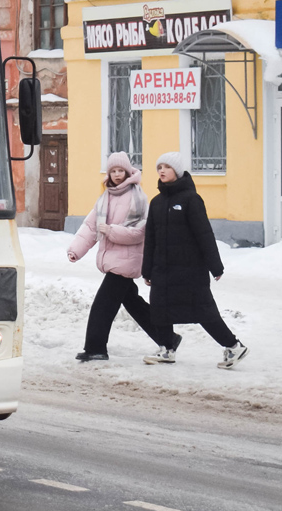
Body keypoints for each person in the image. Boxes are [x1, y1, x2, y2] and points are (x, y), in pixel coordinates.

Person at [67, 152, 178, 362]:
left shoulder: (137, 197)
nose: (117, 175)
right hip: (113, 259)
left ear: (128, 172)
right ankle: (168, 337)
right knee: (132, 302)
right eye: (113, 171)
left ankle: (96, 348)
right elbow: (91, 226)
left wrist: (110, 231)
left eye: (121, 171)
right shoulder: (106, 196)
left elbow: (139, 232)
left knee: (103, 304)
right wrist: (76, 250)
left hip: (127, 260)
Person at [142, 152, 249, 369]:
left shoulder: (191, 199)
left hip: (189, 269)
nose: (162, 171)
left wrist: (215, 266)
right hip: (162, 268)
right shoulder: (156, 202)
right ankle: (166, 349)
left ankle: (234, 346)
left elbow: (204, 235)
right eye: (159, 167)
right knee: (159, 309)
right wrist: (147, 270)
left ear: (178, 171)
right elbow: (150, 239)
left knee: (203, 310)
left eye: (167, 167)